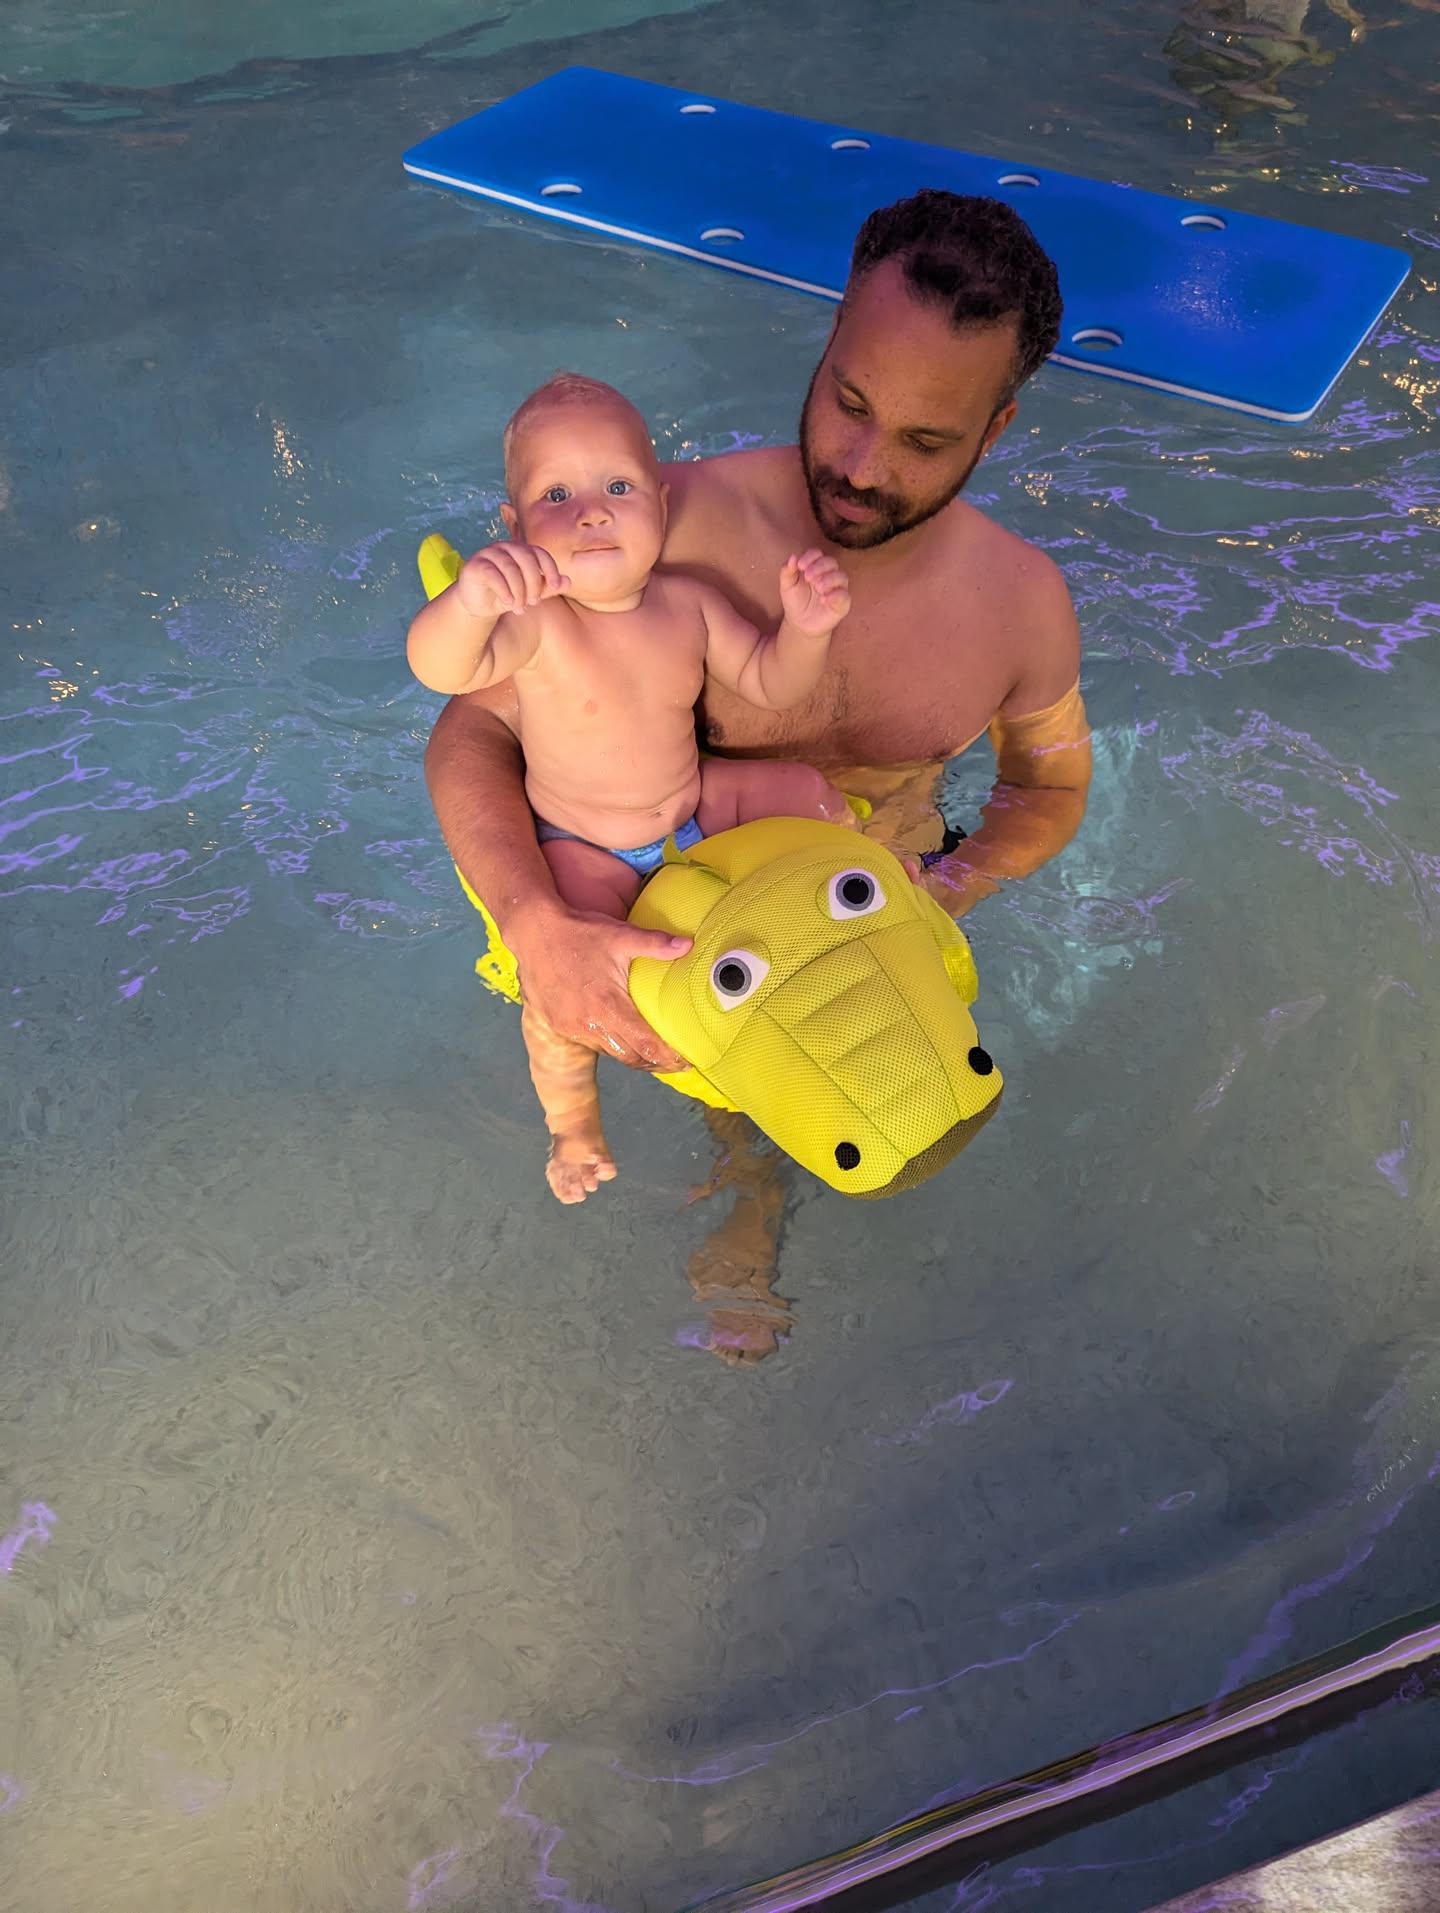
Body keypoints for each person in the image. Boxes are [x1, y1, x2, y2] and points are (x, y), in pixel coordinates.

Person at [423, 190, 1092, 1355]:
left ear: (996, 429)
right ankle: (747, 1181)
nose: (862, 466)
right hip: (657, 898)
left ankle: (763, 1172)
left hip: (872, 904)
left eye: (926, 440)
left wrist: (949, 889)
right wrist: (536, 923)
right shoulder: (655, 527)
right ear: (830, 336)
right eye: (850, 402)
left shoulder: (1023, 604)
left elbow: (1048, 788)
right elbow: (469, 735)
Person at [407, 374, 855, 1202]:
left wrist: (806, 629)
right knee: (561, 988)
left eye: (617, 486)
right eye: (556, 495)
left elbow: (770, 682)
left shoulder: (690, 606)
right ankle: (573, 1123)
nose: (590, 513)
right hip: (586, 843)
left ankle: (858, 898)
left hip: (691, 805)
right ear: (514, 527)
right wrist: (469, 602)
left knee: (808, 791)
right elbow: (443, 670)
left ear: (660, 500)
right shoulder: (535, 624)